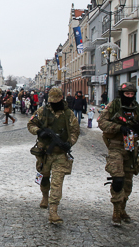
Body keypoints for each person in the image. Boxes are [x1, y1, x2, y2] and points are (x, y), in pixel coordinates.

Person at [98, 82, 139, 226]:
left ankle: (123, 208)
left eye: (131, 94)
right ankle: (116, 210)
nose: (129, 96)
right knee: (118, 179)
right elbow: (102, 122)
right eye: (126, 94)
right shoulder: (113, 106)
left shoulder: (138, 109)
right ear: (121, 94)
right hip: (116, 146)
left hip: (132, 148)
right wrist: (118, 127)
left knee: (128, 181)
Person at [27, 87, 79, 224]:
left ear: (61, 99)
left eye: (56, 101)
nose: (54, 104)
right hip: (44, 152)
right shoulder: (42, 111)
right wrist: (39, 132)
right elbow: (31, 123)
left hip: (60, 154)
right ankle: (44, 196)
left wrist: (70, 143)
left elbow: (75, 130)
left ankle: (53, 211)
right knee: (44, 176)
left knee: (57, 182)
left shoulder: (69, 114)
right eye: (52, 101)